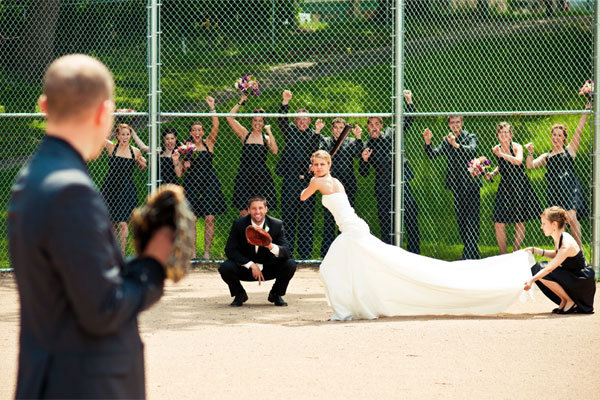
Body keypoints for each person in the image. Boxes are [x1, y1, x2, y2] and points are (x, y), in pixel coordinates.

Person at [7, 54, 174, 399]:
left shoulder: (32, 178)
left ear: (43, 106)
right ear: (103, 113)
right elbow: (104, 308)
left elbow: (78, 282)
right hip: (83, 385)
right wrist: (154, 261)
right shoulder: (72, 190)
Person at [301, 150, 534, 321]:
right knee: (355, 267)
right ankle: (353, 306)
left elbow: (303, 196)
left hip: (353, 231)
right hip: (354, 228)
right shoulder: (333, 180)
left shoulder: (318, 180)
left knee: (329, 267)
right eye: (316, 164)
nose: (319, 167)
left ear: (328, 164)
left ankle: (344, 310)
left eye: (322, 164)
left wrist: (306, 177)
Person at [359, 90, 419, 253]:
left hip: (401, 183)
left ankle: (414, 253)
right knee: (386, 222)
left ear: (381, 125)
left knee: (411, 216)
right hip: (383, 188)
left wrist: (409, 101)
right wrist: (364, 160)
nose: (374, 127)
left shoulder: (392, 134)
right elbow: (363, 173)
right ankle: (390, 254)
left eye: (377, 124)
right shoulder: (367, 145)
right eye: (371, 125)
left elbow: (409, 121)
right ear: (368, 127)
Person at [525, 103, 590, 251]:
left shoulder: (570, 150)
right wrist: (530, 151)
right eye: (554, 134)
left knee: (572, 219)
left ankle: (578, 252)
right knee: (558, 224)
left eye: (559, 135)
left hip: (570, 186)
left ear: (564, 138)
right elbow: (530, 165)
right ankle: (561, 254)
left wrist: (585, 112)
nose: (556, 137)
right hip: (554, 189)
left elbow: (579, 131)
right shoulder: (547, 156)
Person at [218, 196, 296, 307]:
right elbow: (230, 250)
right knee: (225, 267)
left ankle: (276, 294)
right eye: (254, 208)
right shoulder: (239, 224)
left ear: (266, 209)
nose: (257, 211)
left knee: (290, 264)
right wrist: (251, 265)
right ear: (248, 210)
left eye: (260, 208)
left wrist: (269, 245)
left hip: (268, 267)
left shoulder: (276, 224)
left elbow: (286, 252)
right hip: (247, 269)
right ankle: (239, 294)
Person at [423, 115, 481, 259]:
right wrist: (428, 142)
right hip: (456, 186)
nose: (455, 125)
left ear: (462, 123)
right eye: (452, 123)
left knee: (472, 219)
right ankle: (472, 253)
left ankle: (468, 255)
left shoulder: (471, 137)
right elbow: (432, 154)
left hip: (471, 185)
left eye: (458, 122)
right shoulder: (447, 140)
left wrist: (456, 145)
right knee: (461, 220)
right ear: (449, 125)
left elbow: (472, 150)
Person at [275, 89, 323, 259]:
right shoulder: (291, 132)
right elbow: (281, 121)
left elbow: (317, 153)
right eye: (299, 119)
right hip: (290, 181)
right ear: (295, 121)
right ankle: (287, 255)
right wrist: (285, 102)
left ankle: (305, 256)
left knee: (306, 219)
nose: (302, 122)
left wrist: (317, 132)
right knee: (288, 218)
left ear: (309, 121)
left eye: (305, 119)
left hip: (308, 183)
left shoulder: (315, 135)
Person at [524, 207, 595, 314]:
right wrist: (535, 250)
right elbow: (557, 255)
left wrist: (531, 280)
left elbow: (550, 268)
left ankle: (570, 301)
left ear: (554, 224)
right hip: (572, 277)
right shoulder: (559, 237)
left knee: (540, 269)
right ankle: (565, 300)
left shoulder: (566, 243)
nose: (541, 227)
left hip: (580, 282)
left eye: (544, 223)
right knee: (537, 268)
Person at [181, 96, 227, 260]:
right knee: (192, 218)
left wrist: (212, 107)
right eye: (194, 130)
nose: (197, 132)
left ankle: (206, 253)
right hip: (192, 183)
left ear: (203, 132)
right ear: (190, 133)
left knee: (209, 218)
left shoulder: (209, 142)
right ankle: (192, 252)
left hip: (209, 182)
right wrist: (184, 165)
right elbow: (180, 170)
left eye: (200, 130)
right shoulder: (186, 148)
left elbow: (216, 125)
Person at [485, 122, 541, 254]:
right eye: (501, 132)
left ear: (511, 134)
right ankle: (503, 255)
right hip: (505, 186)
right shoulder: (497, 148)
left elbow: (518, 160)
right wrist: (492, 173)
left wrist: (501, 155)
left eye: (506, 132)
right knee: (498, 222)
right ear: (497, 135)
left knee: (519, 220)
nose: (504, 135)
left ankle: (515, 253)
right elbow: (502, 165)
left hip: (519, 185)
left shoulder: (516, 146)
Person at [227, 93, 278, 217]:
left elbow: (275, 151)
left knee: (259, 212)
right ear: (251, 121)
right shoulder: (245, 134)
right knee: (244, 212)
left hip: (261, 176)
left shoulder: (265, 138)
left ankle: (259, 235)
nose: (257, 123)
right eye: (255, 120)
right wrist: (241, 101)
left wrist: (270, 132)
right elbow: (229, 118)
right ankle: (245, 236)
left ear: (263, 122)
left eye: (260, 121)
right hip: (245, 175)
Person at [318, 118, 363, 257]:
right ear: (332, 130)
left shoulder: (350, 142)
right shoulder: (326, 142)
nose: (338, 130)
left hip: (347, 186)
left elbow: (358, 153)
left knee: (345, 221)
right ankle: (327, 254)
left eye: (341, 128)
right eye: (336, 128)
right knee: (329, 221)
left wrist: (358, 137)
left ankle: (345, 253)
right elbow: (317, 151)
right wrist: (318, 131)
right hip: (330, 187)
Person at [101, 122, 147, 253]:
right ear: (117, 136)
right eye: (122, 134)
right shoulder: (111, 147)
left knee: (123, 223)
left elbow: (142, 168)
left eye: (127, 134)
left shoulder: (135, 151)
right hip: (111, 187)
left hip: (126, 189)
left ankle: (121, 254)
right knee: (111, 223)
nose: (125, 137)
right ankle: (112, 253)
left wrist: (143, 164)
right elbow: (100, 136)